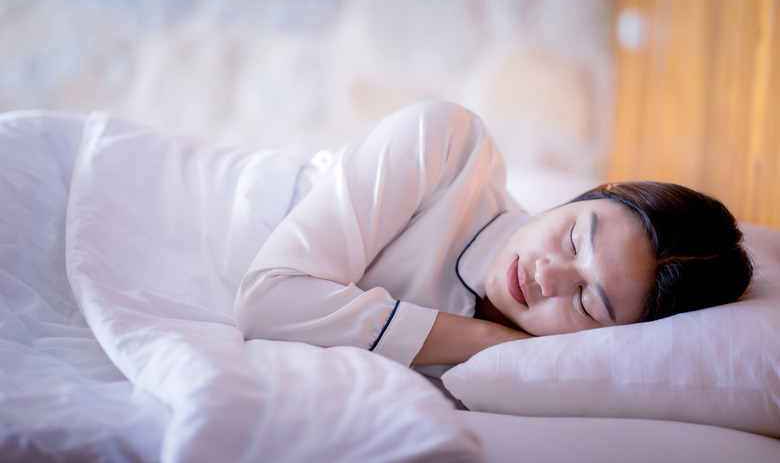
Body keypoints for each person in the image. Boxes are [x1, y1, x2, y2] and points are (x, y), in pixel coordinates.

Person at [233, 101, 753, 368]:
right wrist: (485, 339)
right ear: (593, 191)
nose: (547, 275)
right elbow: (268, 302)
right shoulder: (445, 145)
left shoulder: (533, 379)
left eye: (587, 303)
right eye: (573, 239)